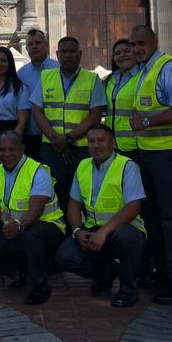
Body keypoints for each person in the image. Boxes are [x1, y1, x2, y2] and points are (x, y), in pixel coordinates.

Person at [127, 25, 172, 305]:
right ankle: (164, 276)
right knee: (154, 220)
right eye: (133, 45)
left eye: (141, 43)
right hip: (151, 156)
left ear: (154, 41)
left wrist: (146, 122)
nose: (136, 49)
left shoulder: (170, 68)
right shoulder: (145, 71)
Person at [55, 124, 146, 307]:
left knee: (125, 237)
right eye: (91, 141)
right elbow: (74, 204)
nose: (96, 145)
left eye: (101, 140)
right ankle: (107, 273)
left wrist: (103, 232)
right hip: (93, 231)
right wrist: (78, 231)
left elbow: (134, 207)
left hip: (123, 230)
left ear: (112, 143)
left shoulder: (127, 166)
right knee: (64, 256)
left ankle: (128, 291)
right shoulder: (83, 166)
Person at [0, 131, 65, 305]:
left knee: (30, 235)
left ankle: (40, 287)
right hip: (15, 229)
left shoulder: (38, 171)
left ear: (22, 148)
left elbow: (36, 210)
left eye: (11, 149)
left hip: (48, 227)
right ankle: (24, 270)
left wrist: (19, 226)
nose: (6, 154)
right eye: (2, 150)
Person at [30, 36, 105, 213]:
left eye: (72, 52)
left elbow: (94, 115)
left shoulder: (92, 79)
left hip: (83, 150)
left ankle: (86, 234)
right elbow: (37, 111)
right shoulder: (46, 77)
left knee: (88, 196)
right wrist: (56, 140)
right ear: (57, 54)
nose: (68, 55)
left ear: (80, 55)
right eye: (64, 51)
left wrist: (68, 139)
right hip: (52, 149)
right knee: (57, 197)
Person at [17, 29, 58, 161]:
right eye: (30, 44)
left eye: (38, 43)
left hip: (54, 136)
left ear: (46, 45)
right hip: (29, 136)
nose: (34, 46)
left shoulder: (58, 69)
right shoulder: (21, 74)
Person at [102, 38, 141, 158]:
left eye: (126, 51)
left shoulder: (144, 77)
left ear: (135, 53)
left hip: (137, 145)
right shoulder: (108, 80)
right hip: (112, 145)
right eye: (117, 53)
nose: (122, 55)